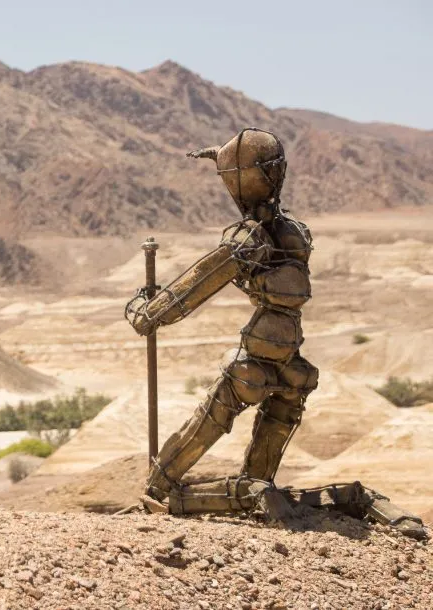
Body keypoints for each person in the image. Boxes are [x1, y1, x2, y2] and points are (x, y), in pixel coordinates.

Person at [125, 128, 317, 508]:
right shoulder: (296, 232)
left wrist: (148, 313)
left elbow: (199, 284)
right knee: (280, 412)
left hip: (259, 349)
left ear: (239, 180)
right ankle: (254, 489)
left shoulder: (249, 238)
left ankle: (161, 490)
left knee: (211, 417)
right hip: (290, 353)